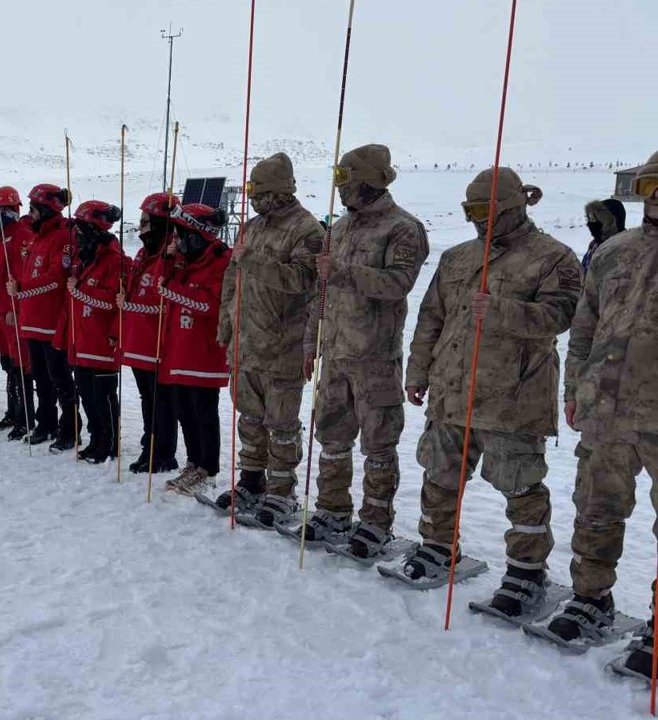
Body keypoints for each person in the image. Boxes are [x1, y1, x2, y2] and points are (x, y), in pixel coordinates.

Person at [401, 168, 580, 617]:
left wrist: (501, 311)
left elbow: (562, 316)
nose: (477, 221)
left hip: (512, 399)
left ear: (513, 206)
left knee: (521, 489)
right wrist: (419, 370)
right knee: (439, 475)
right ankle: (439, 547)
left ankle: (526, 572)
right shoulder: (458, 258)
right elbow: (430, 319)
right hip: (452, 391)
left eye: (484, 211)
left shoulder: (554, 258)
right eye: (469, 211)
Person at [543, 152, 658, 665]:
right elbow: (584, 329)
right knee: (595, 509)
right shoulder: (614, 251)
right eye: (652, 183)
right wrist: (574, 390)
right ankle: (591, 599)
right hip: (605, 410)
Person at [302, 144, 429, 556]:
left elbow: (397, 284)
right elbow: (320, 294)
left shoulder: (403, 228)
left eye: (346, 180)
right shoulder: (338, 229)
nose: (340, 189)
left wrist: (343, 272)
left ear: (369, 181)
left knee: (378, 445)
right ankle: (332, 510)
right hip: (335, 354)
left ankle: (376, 522)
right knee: (332, 438)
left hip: (374, 357)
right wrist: (311, 342)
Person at [213, 153, 322, 525]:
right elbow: (232, 278)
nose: (254, 199)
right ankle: (251, 481)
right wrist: (226, 323)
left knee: (281, 425)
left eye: (259, 193)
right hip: (246, 345)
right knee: (250, 418)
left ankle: (281, 491)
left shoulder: (307, 230)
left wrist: (253, 262)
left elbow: (303, 281)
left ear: (279, 193)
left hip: (283, 347)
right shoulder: (251, 227)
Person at [159, 203, 233, 494]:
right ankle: (192, 462)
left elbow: (211, 305)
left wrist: (174, 290)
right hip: (181, 347)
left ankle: (208, 468)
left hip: (204, 352)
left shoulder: (221, 261)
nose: (176, 242)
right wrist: (168, 261)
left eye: (181, 235)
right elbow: (164, 282)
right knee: (183, 409)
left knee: (203, 411)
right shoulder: (186, 261)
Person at [7, 183, 81, 452]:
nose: (31, 213)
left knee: (60, 379)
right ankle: (46, 423)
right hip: (33, 321)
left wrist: (23, 289)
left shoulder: (63, 237)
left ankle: (71, 429)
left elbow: (56, 279)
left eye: (34, 208)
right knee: (41, 379)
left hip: (52, 323)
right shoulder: (38, 237)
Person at [118, 192, 179, 473]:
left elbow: (165, 297)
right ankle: (149, 446)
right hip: (139, 337)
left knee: (161, 401)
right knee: (148, 398)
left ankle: (163, 452)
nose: (142, 227)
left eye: (146, 221)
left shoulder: (172, 255)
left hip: (157, 340)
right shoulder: (145, 253)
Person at [65, 200, 125, 464]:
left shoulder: (115, 262)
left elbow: (115, 301)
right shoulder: (86, 260)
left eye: (80, 229)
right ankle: (95, 438)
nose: (76, 235)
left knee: (103, 397)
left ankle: (109, 443)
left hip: (102, 341)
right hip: (84, 340)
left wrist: (81, 290)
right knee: (87, 396)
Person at [0, 186, 37, 440]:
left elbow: (21, 276)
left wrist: (16, 308)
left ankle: (26, 416)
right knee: (8, 363)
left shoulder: (21, 236)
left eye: (7, 209)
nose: (2, 214)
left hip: (13, 312)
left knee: (21, 364)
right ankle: (14, 412)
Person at [581, 198, 626, 272]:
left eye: (595, 219)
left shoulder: (623, 249)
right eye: (590, 219)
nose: (591, 224)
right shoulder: (594, 245)